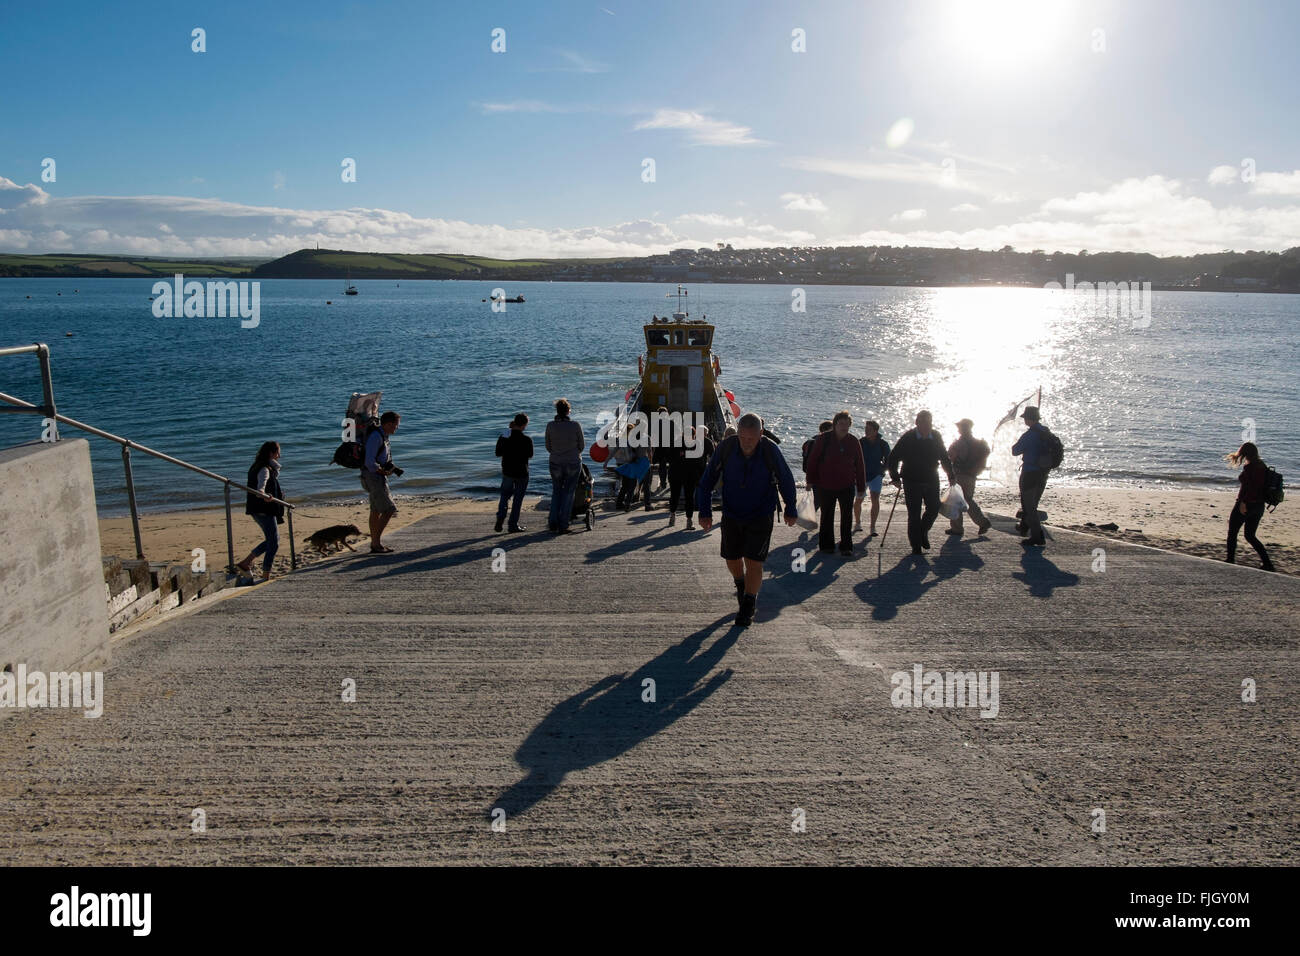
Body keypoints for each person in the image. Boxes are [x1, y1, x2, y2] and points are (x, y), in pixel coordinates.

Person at [696, 413, 799, 627]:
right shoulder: (726, 448)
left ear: (760, 434)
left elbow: (786, 479)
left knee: (754, 561)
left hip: (761, 514)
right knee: (732, 558)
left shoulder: (770, 450)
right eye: (743, 438)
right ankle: (740, 584)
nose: (746, 443)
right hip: (732, 513)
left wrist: (790, 506)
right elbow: (706, 482)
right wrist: (704, 512)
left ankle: (748, 605)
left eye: (751, 439)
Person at [886, 410, 955, 555]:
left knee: (934, 508)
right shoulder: (909, 437)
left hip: (931, 477)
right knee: (914, 513)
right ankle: (916, 545)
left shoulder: (936, 436)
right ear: (917, 423)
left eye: (928, 422)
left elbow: (944, 457)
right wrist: (895, 477)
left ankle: (923, 531)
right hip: (911, 479)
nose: (926, 425)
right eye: (922, 422)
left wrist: (951, 475)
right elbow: (893, 458)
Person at [806, 410, 866, 556]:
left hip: (847, 485)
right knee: (827, 515)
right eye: (841, 423)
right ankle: (826, 545)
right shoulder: (824, 439)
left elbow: (860, 464)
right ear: (835, 424)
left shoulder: (853, 441)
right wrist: (810, 480)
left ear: (850, 425)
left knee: (847, 516)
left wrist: (861, 487)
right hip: (825, 484)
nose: (844, 426)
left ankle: (846, 546)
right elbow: (813, 460)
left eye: (846, 424)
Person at [237, 441, 285, 579]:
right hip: (263, 509)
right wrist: (266, 496)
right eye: (278, 452)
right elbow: (260, 489)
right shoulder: (264, 469)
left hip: (256, 509)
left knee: (271, 540)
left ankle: (246, 563)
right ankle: (265, 574)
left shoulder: (257, 466)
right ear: (271, 453)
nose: (279, 456)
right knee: (274, 542)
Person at [1224, 442, 1275, 571]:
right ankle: (1267, 563)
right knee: (1250, 535)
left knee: (1232, 532)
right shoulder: (1262, 466)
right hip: (1259, 506)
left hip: (1246, 504)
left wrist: (1243, 503)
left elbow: (1250, 488)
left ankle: (1230, 559)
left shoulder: (1250, 468)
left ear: (1245, 453)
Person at [361, 411, 401, 553]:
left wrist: (391, 468)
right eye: (395, 425)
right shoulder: (376, 437)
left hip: (374, 476)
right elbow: (369, 462)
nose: (396, 428)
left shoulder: (383, 436)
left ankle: (375, 543)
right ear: (388, 424)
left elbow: (381, 458)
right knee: (389, 509)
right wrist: (382, 471)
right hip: (373, 477)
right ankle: (375, 543)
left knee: (376, 510)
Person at [1010, 406, 1049, 548]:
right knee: (1033, 503)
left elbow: (1015, 450)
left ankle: (1037, 536)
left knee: (1029, 506)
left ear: (1028, 419)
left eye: (1025, 418)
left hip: (1030, 472)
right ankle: (1024, 526)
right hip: (1043, 473)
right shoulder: (1045, 432)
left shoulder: (1029, 435)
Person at [946, 418, 993, 537]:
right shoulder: (977, 442)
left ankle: (958, 528)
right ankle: (981, 522)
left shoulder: (959, 443)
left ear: (963, 428)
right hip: (972, 475)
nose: (958, 429)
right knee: (967, 499)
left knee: (956, 500)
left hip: (960, 474)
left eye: (960, 427)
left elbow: (950, 456)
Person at [544, 398, 584, 534]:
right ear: (568, 411)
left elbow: (548, 446)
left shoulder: (550, 425)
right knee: (568, 492)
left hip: (555, 461)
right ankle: (563, 523)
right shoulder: (575, 425)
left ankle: (552, 521)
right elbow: (581, 446)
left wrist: (558, 453)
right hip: (572, 461)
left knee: (556, 491)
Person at [669, 424, 714, 529]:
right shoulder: (696, 444)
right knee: (689, 498)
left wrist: (682, 455)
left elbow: (671, 458)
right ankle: (689, 521)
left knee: (675, 496)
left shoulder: (677, 442)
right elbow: (699, 461)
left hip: (677, 474)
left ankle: (672, 516)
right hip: (690, 475)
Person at [494, 413, 533, 532]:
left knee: (504, 496)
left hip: (507, 471)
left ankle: (500, 517)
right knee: (517, 499)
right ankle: (512, 525)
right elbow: (530, 455)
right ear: (524, 425)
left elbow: (498, 453)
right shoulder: (526, 439)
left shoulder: (504, 437)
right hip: (522, 472)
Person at [854, 420, 890, 536]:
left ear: (875, 431)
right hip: (861, 475)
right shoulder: (861, 442)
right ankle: (858, 523)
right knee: (859, 499)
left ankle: (873, 527)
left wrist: (882, 471)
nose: (866, 431)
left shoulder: (882, 444)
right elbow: (853, 458)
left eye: (869, 429)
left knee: (875, 498)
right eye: (865, 429)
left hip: (876, 475)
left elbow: (888, 459)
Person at [612, 423, 649, 511]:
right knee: (631, 485)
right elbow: (647, 451)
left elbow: (616, 451)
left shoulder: (628, 439)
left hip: (626, 463)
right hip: (630, 464)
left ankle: (626, 503)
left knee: (628, 485)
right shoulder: (630, 439)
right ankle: (624, 503)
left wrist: (607, 461)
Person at [801, 420, 834, 489]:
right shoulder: (826, 442)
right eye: (832, 429)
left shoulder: (810, 441)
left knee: (818, 497)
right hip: (824, 476)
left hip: (813, 476)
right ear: (827, 430)